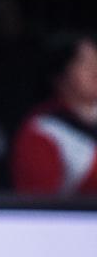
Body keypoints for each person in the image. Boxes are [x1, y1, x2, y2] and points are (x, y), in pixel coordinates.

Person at [10, 32, 97, 196]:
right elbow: (40, 204)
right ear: (60, 75)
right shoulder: (42, 130)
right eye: (84, 62)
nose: (95, 69)